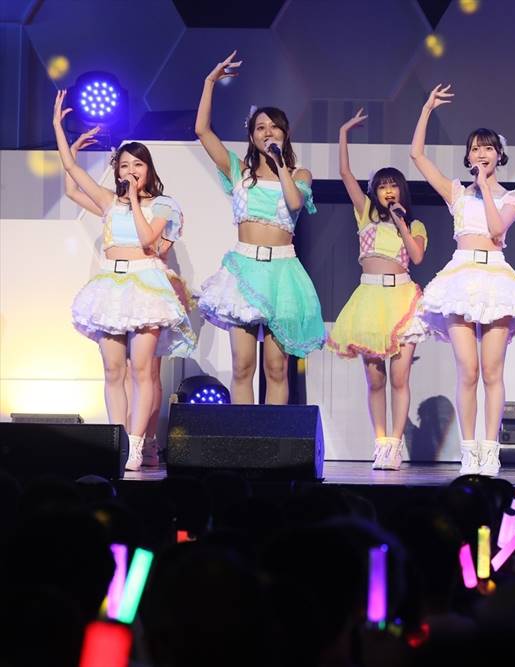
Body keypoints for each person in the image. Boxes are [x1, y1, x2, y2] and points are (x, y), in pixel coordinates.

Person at [53, 91, 193, 470]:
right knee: (113, 370)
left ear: (148, 169)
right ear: (116, 171)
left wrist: (133, 199)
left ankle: (137, 443)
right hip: (111, 286)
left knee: (142, 370)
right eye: (124, 165)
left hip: (146, 285)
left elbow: (148, 241)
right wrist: (59, 130)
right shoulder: (107, 202)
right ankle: (118, 441)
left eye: (137, 165)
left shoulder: (163, 205)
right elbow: (72, 172)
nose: (130, 170)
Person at [410, 84, 515, 476]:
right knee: (467, 370)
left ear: (499, 155)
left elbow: (497, 231)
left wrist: (484, 186)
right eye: (475, 149)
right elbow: (417, 156)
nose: (482, 154)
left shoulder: (511, 197)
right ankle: (468, 450)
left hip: (496, 277)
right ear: (467, 156)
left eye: (488, 148)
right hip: (460, 277)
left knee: (492, 371)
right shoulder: (456, 194)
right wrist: (427, 108)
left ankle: (490, 449)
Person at [195, 50, 325, 404]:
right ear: (251, 136)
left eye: (274, 127)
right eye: (260, 128)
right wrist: (210, 81)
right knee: (242, 366)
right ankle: (242, 434)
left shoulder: (299, 174)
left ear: (285, 133)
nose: (268, 132)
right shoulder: (238, 170)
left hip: (283, 272)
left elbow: (295, 203)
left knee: (276, 368)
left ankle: (272, 436)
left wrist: (280, 163)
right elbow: (202, 131)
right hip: (244, 269)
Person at [328, 108, 429, 470]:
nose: (387, 190)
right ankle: (380, 442)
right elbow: (345, 174)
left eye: (393, 185)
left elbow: (416, 256)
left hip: (402, 297)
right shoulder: (365, 213)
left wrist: (401, 222)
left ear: (401, 190)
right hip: (369, 298)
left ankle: (395, 445)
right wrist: (343, 132)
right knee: (375, 379)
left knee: (400, 378)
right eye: (382, 185)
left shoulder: (415, 224)